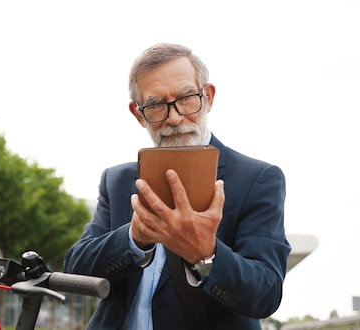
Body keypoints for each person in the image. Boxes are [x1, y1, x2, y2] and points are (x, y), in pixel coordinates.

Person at [63, 43, 291, 329]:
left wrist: (206, 253)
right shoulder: (117, 181)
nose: (174, 117)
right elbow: (75, 271)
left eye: (186, 98)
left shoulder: (258, 179)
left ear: (207, 97)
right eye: (156, 104)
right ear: (138, 113)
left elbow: (266, 294)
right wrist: (133, 237)